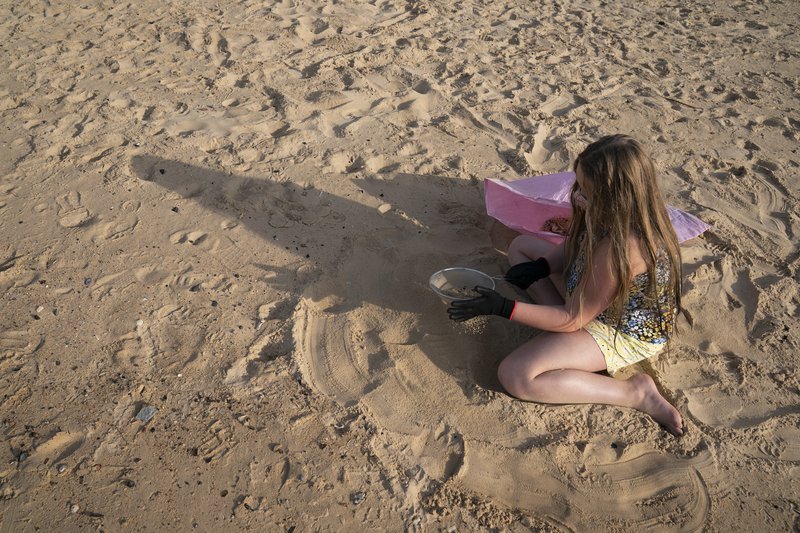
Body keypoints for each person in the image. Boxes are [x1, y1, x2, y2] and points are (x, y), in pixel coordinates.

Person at [448, 134, 685, 436]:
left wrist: (503, 307)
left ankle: (635, 394)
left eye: (586, 189)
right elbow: (576, 246)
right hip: (592, 293)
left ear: (613, 197)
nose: (578, 195)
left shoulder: (621, 249)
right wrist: (543, 266)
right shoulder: (609, 211)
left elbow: (574, 317)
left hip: (616, 329)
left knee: (516, 374)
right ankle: (559, 335)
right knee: (521, 248)